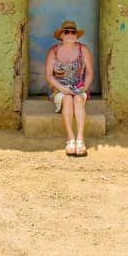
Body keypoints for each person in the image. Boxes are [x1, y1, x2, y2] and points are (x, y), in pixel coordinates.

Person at [45, 20, 94, 156]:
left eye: (73, 32)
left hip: (79, 87)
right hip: (59, 88)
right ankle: (70, 139)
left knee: (78, 98)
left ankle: (80, 140)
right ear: (61, 35)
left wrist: (84, 87)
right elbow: (49, 76)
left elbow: (90, 72)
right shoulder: (53, 52)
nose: (70, 34)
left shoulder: (83, 50)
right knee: (67, 98)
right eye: (67, 32)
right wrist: (62, 88)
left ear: (76, 35)